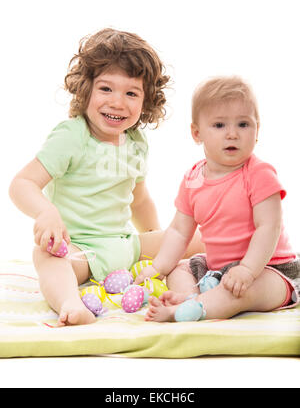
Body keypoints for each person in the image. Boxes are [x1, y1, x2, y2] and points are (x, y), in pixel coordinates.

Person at [9, 28, 204, 326]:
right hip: (80, 251)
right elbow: (21, 184)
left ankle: (253, 261)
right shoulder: (72, 136)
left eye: (131, 93)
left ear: (146, 100)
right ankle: (71, 303)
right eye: (106, 89)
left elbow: (139, 201)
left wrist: (158, 241)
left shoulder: (136, 141)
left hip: (126, 245)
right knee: (46, 258)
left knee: (194, 236)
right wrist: (46, 212)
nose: (117, 102)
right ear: (86, 89)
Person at [135, 76, 300, 322]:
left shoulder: (259, 173)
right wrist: (158, 267)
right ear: (197, 133)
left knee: (245, 292)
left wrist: (247, 269)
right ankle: (190, 298)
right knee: (179, 270)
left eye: (243, 125)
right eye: (220, 125)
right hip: (215, 270)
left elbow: (269, 227)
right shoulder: (192, 179)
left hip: (268, 268)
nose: (232, 134)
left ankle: (190, 310)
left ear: (257, 131)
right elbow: (180, 231)